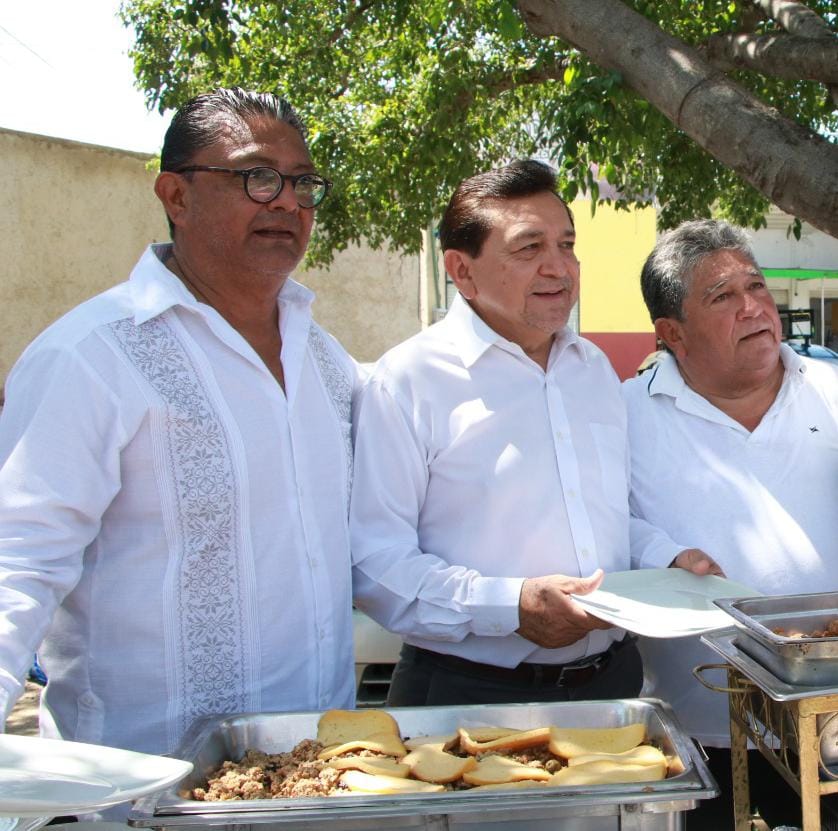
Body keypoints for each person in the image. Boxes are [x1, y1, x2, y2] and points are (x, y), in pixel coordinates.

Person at [0, 88, 359, 757]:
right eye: (257, 177)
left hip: (319, 775)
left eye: (303, 183)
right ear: (176, 196)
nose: (287, 202)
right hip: (143, 784)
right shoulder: (90, 356)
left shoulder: (327, 362)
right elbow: (17, 562)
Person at [350, 159, 642, 706]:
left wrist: (670, 558)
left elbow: (610, 520)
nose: (559, 268)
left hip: (613, 683)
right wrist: (510, 607)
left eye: (567, 245)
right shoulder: (410, 379)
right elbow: (376, 565)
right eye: (529, 248)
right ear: (462, 271)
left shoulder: (594, 369)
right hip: (469, 694)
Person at [623, 218, 838, 829]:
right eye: (722, 296)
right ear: (672, 332)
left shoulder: (832, 390)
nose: (752, 307)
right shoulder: (621, 414)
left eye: (756, 286)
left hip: (832, 729)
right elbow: (597, 525)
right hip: (698, 737)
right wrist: (659, 554)